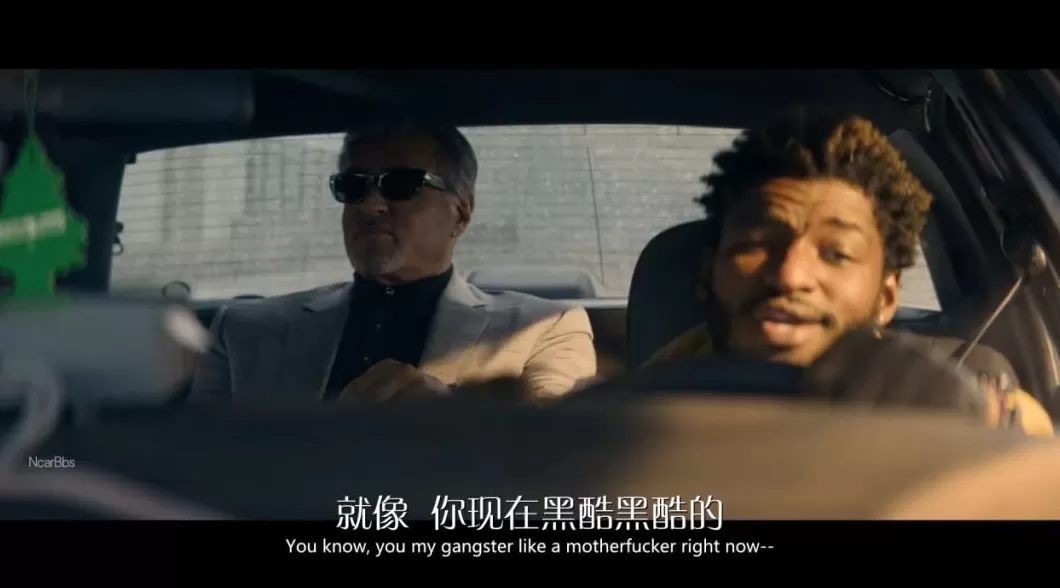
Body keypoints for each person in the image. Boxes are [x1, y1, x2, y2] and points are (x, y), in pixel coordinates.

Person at [644, 109, 1053, 436]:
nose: (790, 276)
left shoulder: (971, 409)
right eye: (756, 244)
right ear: (707, 272)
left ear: (886, 298)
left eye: (836, 253)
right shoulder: (631, 407)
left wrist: (976, 420)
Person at [190, 116, 596, 405]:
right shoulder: (243, 330)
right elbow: (195, 465)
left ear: (461, 212)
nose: (371, 205)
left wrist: (449, 414)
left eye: (401, 185)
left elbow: (563, 455)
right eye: (354, 187)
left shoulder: (544, 328)